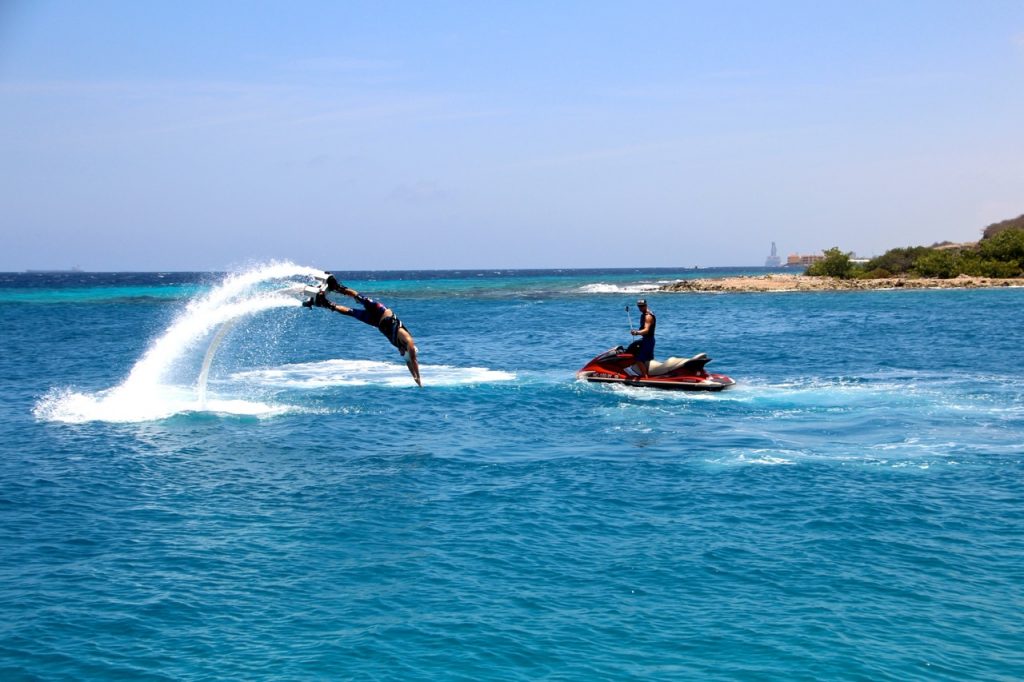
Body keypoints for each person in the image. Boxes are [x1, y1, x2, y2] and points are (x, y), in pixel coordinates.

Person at [308, 274, 422, 386]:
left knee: (351, 313)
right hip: (381, 312)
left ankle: (326, 303)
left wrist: (414, 379)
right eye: (404, 353)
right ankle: (336, 287)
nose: (401, 354)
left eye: (402, 354)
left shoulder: (400, 346)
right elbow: (413, 360)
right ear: (408, 349)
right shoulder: (408, 341)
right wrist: (419, 377)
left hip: (376, 322)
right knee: (359, 297)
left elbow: (408, 363)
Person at [626, 298, 656, 378]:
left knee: (638, 359)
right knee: (632, 349)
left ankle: (645, 377)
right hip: (646, 340)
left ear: (646, 305)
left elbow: (646, 330)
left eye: (642, 306)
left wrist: (636, 332)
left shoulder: (648, 316)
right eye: (639, 306)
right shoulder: (643, 314)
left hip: (648, 341)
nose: (640, 308)